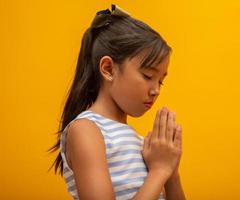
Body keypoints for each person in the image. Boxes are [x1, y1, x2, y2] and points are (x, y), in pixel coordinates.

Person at [48, 4, 185, 200]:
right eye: (147, 76)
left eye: (161, 81)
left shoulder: (140, 144)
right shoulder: (85, 130)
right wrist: (160, 171)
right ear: (108, 69)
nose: (156, 90)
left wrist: (171, 172)